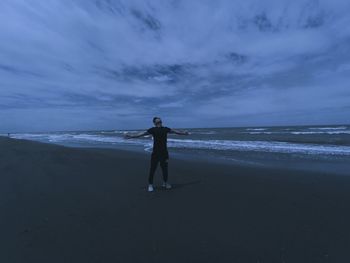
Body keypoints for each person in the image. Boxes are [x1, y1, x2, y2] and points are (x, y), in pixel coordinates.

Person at [124, 117, 190, 192]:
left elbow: (175, 132)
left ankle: (165, 183)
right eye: (157, 122)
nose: (159, 123)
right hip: (155, 153)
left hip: (164, 153)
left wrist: (184, 133)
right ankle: (150, 185)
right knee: (152, 169)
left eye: (160, 121)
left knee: (165, 169)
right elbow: (142, 134)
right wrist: (131, 136)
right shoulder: (152, 130)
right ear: (154, 123)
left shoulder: (165, 129)